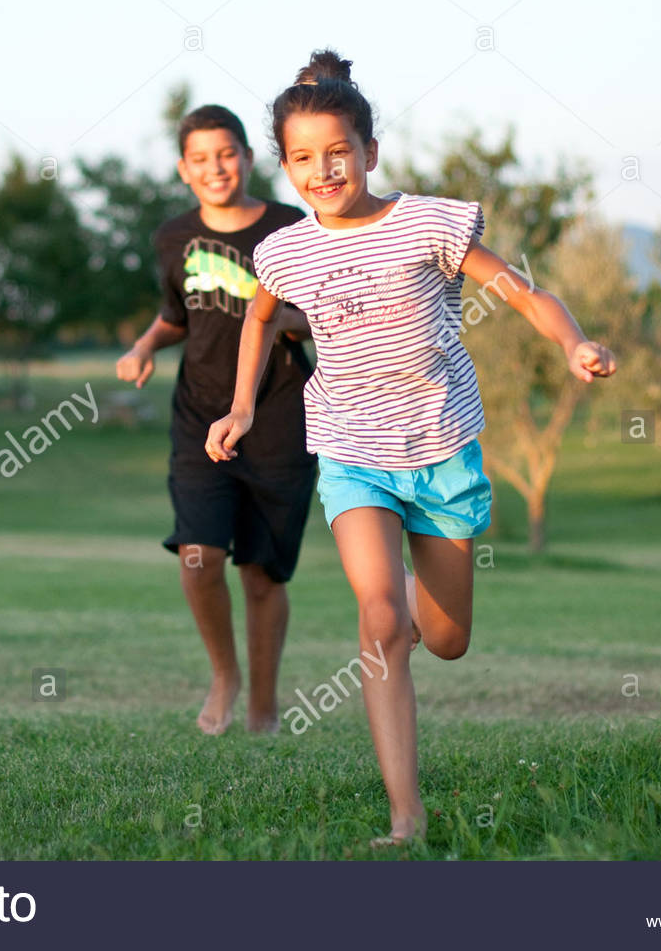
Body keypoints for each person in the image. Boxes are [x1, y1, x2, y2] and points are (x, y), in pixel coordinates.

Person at [205, 50, 617, 844]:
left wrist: (573, 342)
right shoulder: (287, 249)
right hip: (351, 449)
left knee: (447, 639)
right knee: (383, 618)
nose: (322, 170)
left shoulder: (427, 223)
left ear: (370, 153)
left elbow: (521, 291)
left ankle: (402, 591)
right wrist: (243, 408)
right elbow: (260, 318)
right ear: (285, 165)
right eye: (302, 158)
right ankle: (406, 816)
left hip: (440, 452)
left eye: (338, 152)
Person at [116, 104, 317, 735]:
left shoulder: (293, 227)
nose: (215, 168)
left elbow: (327, 316)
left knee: (261, 573)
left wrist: (281, 319)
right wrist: (146, 345)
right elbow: (178, 314)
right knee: (198, 556)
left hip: (282, 416)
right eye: (200, 158)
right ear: (183, 168)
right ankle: (224, 673)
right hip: (200, 415)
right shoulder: (172, 237)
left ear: (250, 158)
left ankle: (263, 706)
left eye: (226, 154)